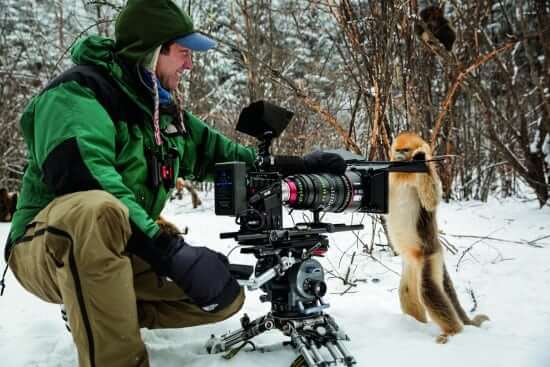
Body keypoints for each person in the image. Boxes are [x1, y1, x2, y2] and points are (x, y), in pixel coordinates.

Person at [2, 1, 345, 366]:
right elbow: (86, 181)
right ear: (151, 52)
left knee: (223, 294)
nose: (190, 64)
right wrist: (168, 251)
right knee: (96, 210)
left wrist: (295, 167)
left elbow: (222, 155)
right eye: (183, 53)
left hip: (121, 243)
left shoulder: (161, 110)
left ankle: (94, 307)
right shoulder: (75, 96)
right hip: (45, 246)